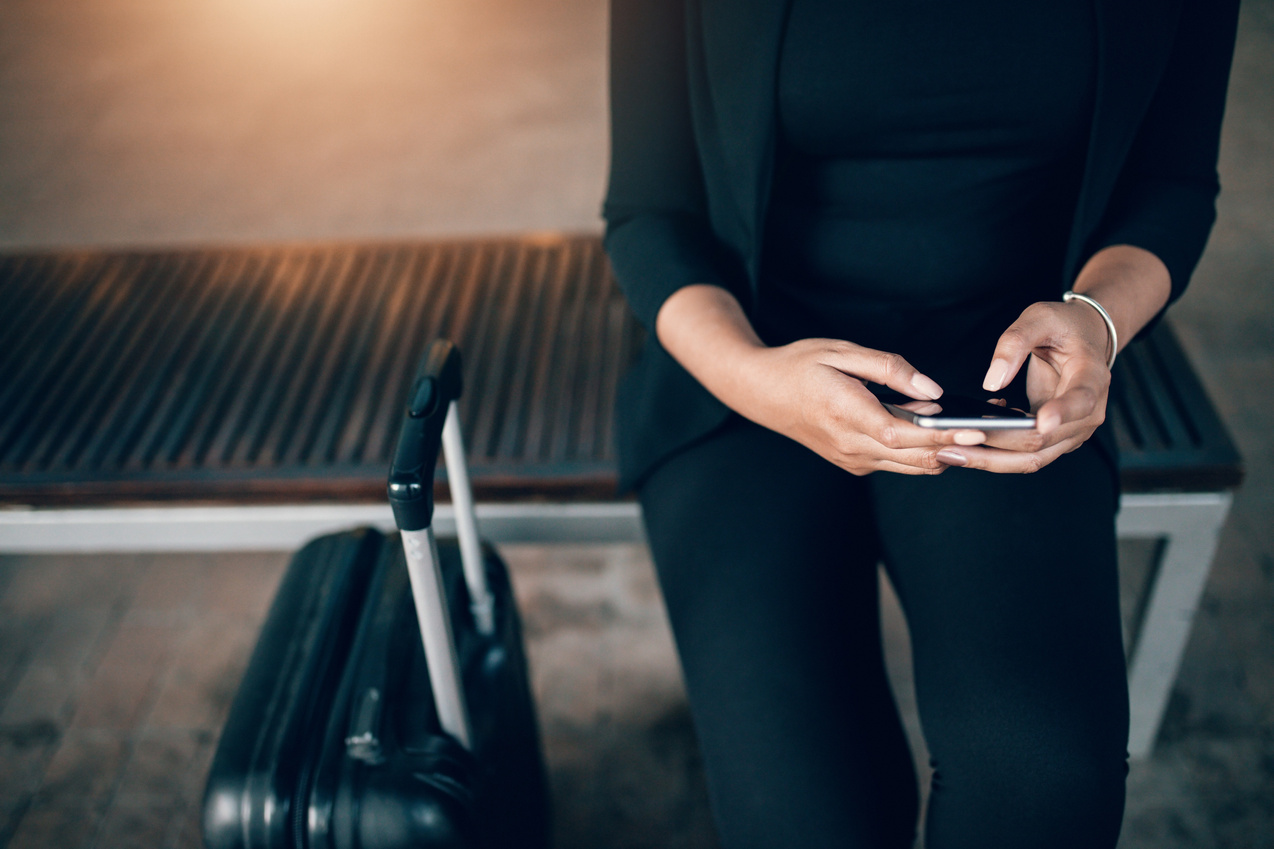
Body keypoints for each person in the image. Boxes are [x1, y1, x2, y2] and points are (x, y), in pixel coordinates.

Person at [601, 1, 1240, 847]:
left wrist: (1096, 320)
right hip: (753, 358)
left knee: (1043, 774)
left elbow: (1172, 183)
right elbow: (650, 213)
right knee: (803, 817)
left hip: (1008, 375)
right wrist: (753, 376)